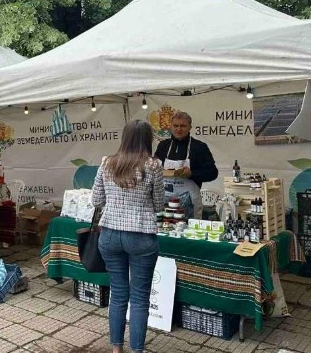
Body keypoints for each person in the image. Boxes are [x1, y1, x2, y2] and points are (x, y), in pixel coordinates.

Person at [92, 119, 164, 353]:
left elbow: (96, 200)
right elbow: (159, 204)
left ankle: (116, 349)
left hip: (110, 235)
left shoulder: (107, 162)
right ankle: (137, 350)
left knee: (118, 292)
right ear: (148, 139)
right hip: (141, 235)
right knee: (140, 297)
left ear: (124, 137)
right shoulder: (153, 165)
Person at [154, 110, 218, 219]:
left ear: (190, 127)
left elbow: (212, 173)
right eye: (175, 125)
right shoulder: (163, 146)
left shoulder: (199, 147)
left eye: (183, 126)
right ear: (170, 127)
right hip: (165, 199)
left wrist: (191, 174)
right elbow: (155, 168)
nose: (179, 129)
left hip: (190, 200)